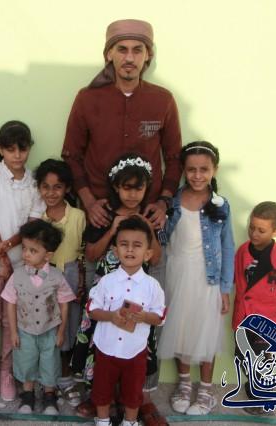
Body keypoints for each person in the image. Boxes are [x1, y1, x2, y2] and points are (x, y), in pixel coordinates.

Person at [61, 19, 182, 230]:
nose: (129, 58)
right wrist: (89, 202)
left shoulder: (163, 100)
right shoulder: (87, 99)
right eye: (122, 49)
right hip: (100, 213)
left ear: (148, 55)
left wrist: (163, 203)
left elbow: (175, 158)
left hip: (147, 216)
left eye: (137, 50)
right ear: (109, 54)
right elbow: (72, 155)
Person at [70, 154, 162, 419]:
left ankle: (132, 398)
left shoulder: (148, 217)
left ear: (146, 188)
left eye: (138, 188)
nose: (132, 194)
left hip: (138, 294)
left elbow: (156, 258)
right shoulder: (104, 215)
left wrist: (148, 230)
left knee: (135, 344)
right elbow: (91, 254)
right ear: (115, 187)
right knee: (101, 342)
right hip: (107, 292)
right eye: (126, 187)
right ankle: (100, 397)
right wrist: (112, 230)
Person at [158, 141, 235, 415]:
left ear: (215, 170)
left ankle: (205, 391)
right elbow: (162, 239)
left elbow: (228, 247)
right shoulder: (172, 202)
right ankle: (184, 384)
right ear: (183, 170)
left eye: (204, 169)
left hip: (207, 279)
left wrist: (225, 288)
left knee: (205, 333)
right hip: (177, 274)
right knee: (180, 330)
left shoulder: (220, 206)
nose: (198, 175)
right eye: (191, 169)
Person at [0, 120, 45, 406]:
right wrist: (2, 258)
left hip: (23, 263)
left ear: (29, 149)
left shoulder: (34, 183)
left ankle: (6, 372)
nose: (17, 155)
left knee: (11, 318)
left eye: (22, 149)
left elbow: (31, 227)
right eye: (10, 149)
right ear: (1, 149)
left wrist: (7, 249)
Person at [87, 217, 166, 426]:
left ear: (147, 253)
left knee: (133, 390)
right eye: (124, 244)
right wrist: (111, 316)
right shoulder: (106, 282)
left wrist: (145, 317)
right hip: (106, 348)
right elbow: (92, 310)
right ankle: (102, 420)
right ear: (115, 251)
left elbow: (160, 317)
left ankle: (129, 422)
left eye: (137, 245)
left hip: (135, 350)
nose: (130, 250)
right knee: (102, 388)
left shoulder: (152, 286)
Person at [1, 219, 76, 415]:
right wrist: (13, 332)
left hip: (49, 330)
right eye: (24, 249)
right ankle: (28, 396)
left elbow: (64, 304)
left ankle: (49, 396)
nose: (26, 254)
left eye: (32, 250)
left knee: (50, 362)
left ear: (48, 255)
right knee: (26, 361)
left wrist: (61, 331)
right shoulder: (17, 276)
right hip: (24, 331)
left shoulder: (57, 277)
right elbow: (10, 303)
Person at [232, 201, 276, 416]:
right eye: (252, 227)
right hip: (243, 316)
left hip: (267, 321)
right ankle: (256, 386)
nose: (254, 233)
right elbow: (237, 279)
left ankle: (264, 402)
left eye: (261, 230)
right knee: (242, 355)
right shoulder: (243, 251)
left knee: (261, 360)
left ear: (275, 232)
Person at [34, 159, 86, 407]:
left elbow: (83, 253)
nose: (51, 193)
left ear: (67, 188)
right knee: (45, 328)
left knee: (69, 328)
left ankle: (66, 378)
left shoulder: (78, 216)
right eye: (45, 187)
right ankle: (47, 381)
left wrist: (81, 283)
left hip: (71, 277)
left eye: (57, 187)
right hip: (43, 280)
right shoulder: (38, 218)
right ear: (39, 188)